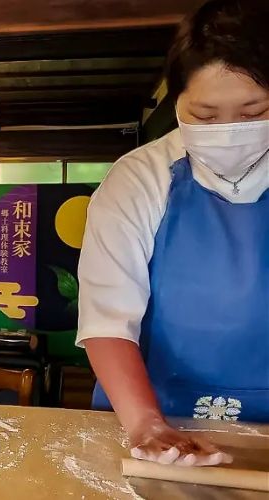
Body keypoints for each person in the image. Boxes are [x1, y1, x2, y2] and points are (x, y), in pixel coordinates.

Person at [76, 0, 268, 467]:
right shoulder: (139, 179)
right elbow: (106, 320)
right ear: (173, 101)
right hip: (149, 414)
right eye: (205, 115)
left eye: (253, 112)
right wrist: (147, 424)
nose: (228, 131)